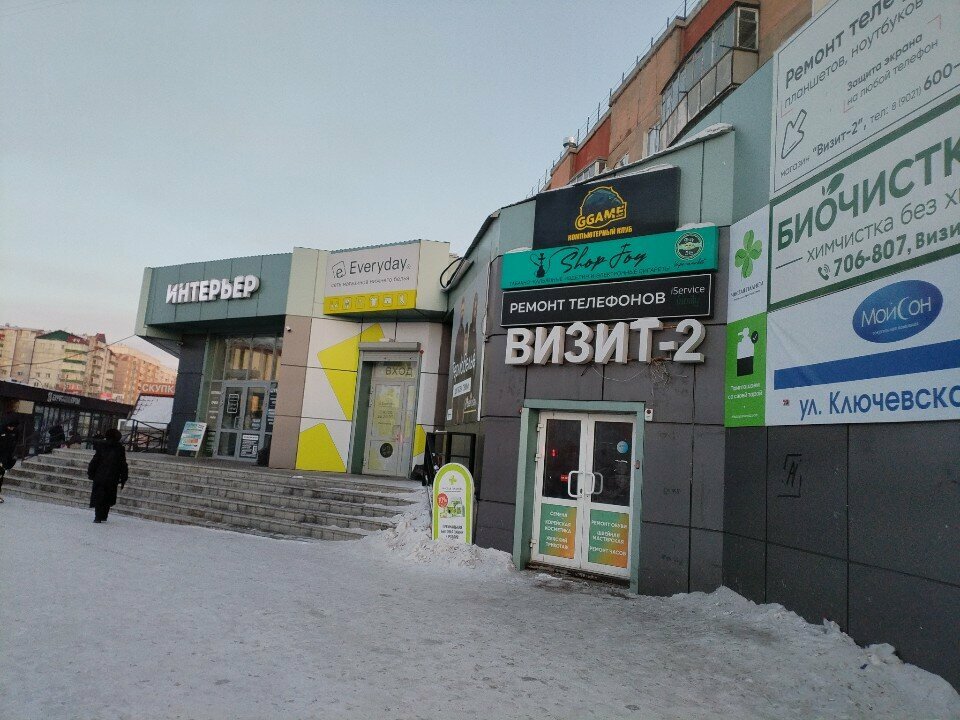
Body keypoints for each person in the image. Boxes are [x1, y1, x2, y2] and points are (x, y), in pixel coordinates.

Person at [87, 428, 128, 523]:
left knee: (99, 496)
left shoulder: (102, 446)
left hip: (100, 476)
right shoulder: (120, 449)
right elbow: (123, 464)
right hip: (113, 477)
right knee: (108, 496)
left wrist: (91, 473)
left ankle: (97, 517)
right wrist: (123, 477)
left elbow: (95, 461)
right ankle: (104, 515)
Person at [0, 419, 20, 503]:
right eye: (10, 427)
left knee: (1, 476)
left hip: (5, 458)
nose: (11, 428)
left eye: (13, 427)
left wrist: (11, 459)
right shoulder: (1, 430)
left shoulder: (14, 433)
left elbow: (14, 445)